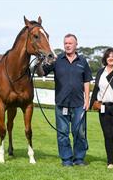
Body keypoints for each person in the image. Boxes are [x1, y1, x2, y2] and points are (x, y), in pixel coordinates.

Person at [36, 34, 93, 166]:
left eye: (70, 43)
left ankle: (79, 159)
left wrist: (87, 99)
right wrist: (40, 62)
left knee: (79, 133)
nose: (67, 45)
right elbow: (41, 73)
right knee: (62, 133)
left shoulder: (83, 61)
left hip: (79, 104)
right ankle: (66, 159)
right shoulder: (57, 60)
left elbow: (86, 81)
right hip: (61, 103)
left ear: (76, 45)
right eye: (65, 43)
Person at [90, 47, 113, 169]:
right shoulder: (100, 72)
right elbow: (96, 89)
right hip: (103, 107)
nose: (111, 58)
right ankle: (110, 161)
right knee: (107, 134)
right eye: (108, 56)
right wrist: (90, 104)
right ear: (105, 58)